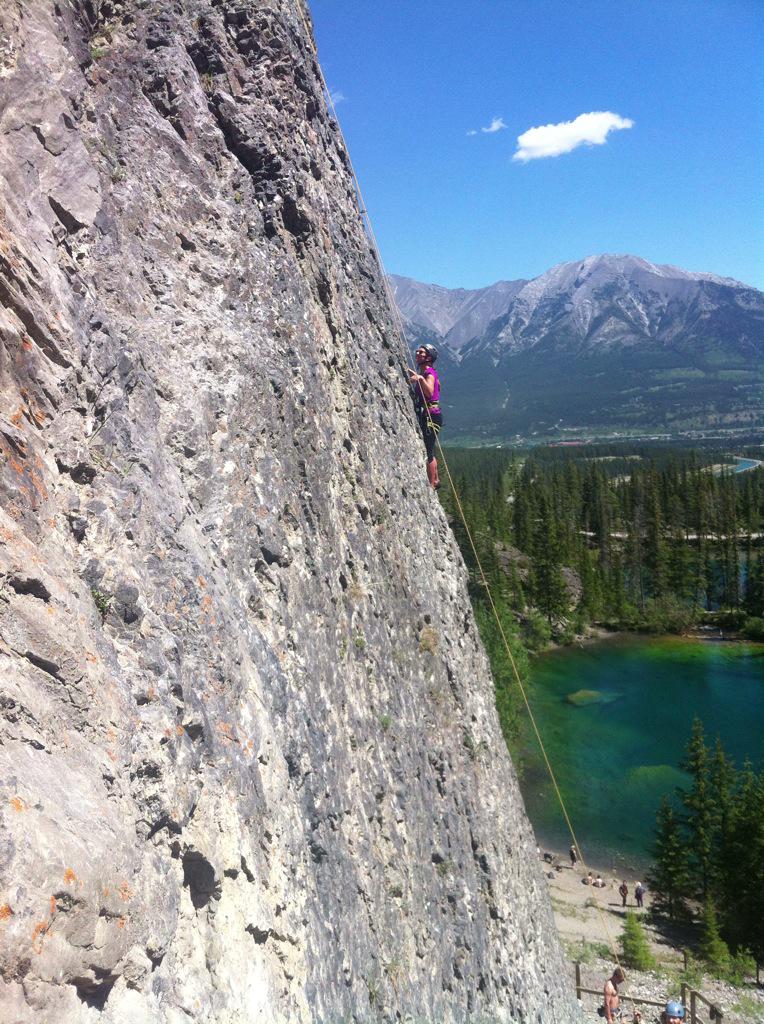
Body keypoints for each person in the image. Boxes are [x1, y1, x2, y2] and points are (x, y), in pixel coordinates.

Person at [408, 344, 442, 489]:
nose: (417, 353)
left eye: (421, 352)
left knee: (429, 450)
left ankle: (432, 483)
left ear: (428, 358)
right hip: (430, 415)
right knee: (430, 448)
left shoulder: (428, 374)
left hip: (431, 416)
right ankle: (436, 479)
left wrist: (420, 379)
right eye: (418, 351)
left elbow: (429, 392)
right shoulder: (428, 372)